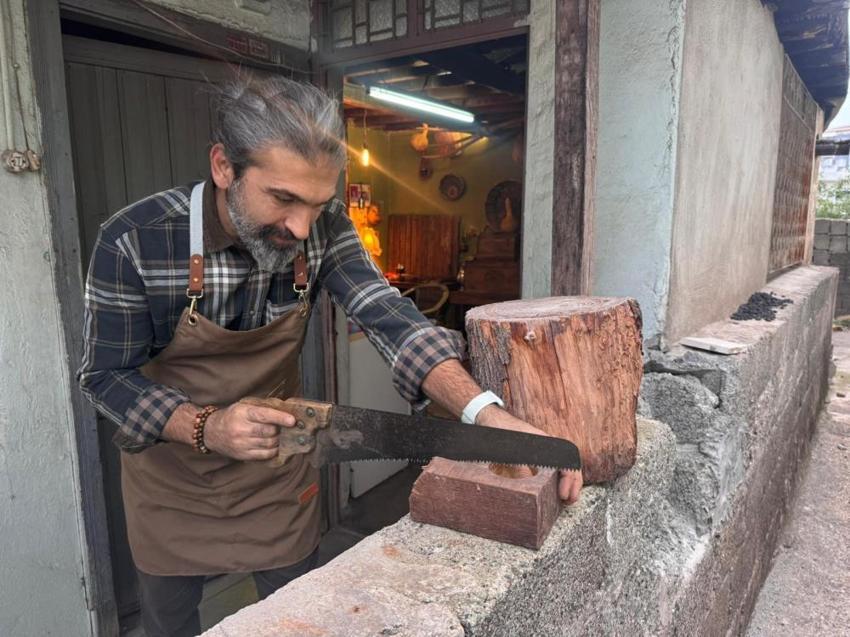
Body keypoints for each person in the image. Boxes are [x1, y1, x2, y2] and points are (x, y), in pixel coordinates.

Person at [77, 76, 582, 637]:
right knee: (167, 623)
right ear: (224, 167)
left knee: (300, 611)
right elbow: (105, 377)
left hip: (274, 474)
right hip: (171, 483)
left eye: (317, 204)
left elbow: (389, 317)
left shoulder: (324, 229)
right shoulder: (135, 240)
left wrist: (487, 416)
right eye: (284, 198)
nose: (301, 227)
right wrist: (207, 426)